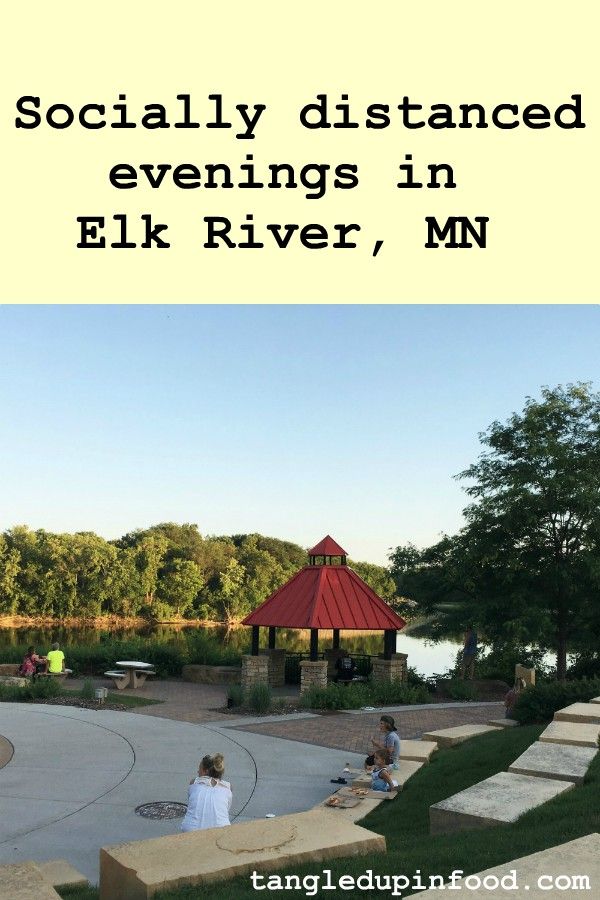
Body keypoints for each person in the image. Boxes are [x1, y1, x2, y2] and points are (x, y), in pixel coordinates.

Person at [181, 753, 232, 832]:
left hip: (190, 830)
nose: (198, 771)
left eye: (200, 768)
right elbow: (226, 809)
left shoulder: (194, 782)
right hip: (221, 830)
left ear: (205, 771)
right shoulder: (228, 787)